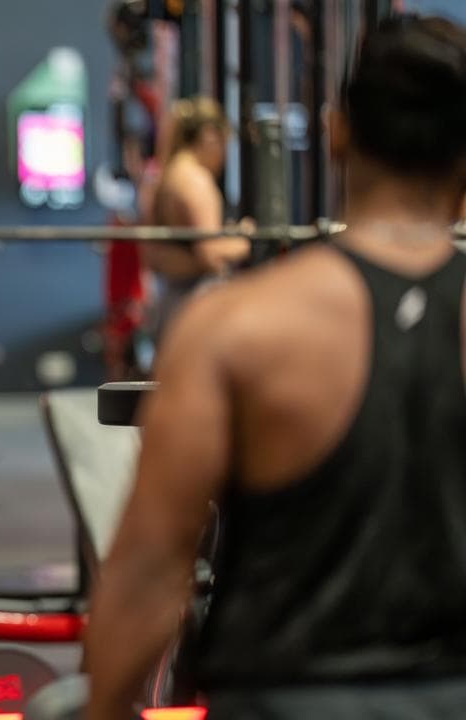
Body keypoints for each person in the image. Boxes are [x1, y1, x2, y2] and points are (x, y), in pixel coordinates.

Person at [85, 15, 466, 719]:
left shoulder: (238, 329)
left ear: (336, 132)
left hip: (284, 698)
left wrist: (104, 708)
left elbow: (149, 570)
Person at [142, 96, 250, 338]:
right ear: (209, 136)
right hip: (193, 302)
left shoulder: (168, 175)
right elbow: (209, 255)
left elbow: (153, 255)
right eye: (223, 144)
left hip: (171, 301)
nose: (223, 157)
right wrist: (245, 239)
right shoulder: (195, 182)